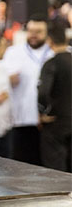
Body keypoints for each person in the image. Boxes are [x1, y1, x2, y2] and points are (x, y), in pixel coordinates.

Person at [0, 14, 51, 165]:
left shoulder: (54, 53)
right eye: (31, 31)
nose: (34, 35)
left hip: (47, 120)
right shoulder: (14, 52)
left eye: (39, 31)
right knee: (23, 162)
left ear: (47, 33)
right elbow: (1, 80)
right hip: (21, 118)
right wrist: (9, 80)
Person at [37, 21, 71, 172]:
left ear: (49, 40)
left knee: (55, 165)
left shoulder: (51, 64)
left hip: (56, 122)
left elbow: (43, 92)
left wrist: (43, 113)